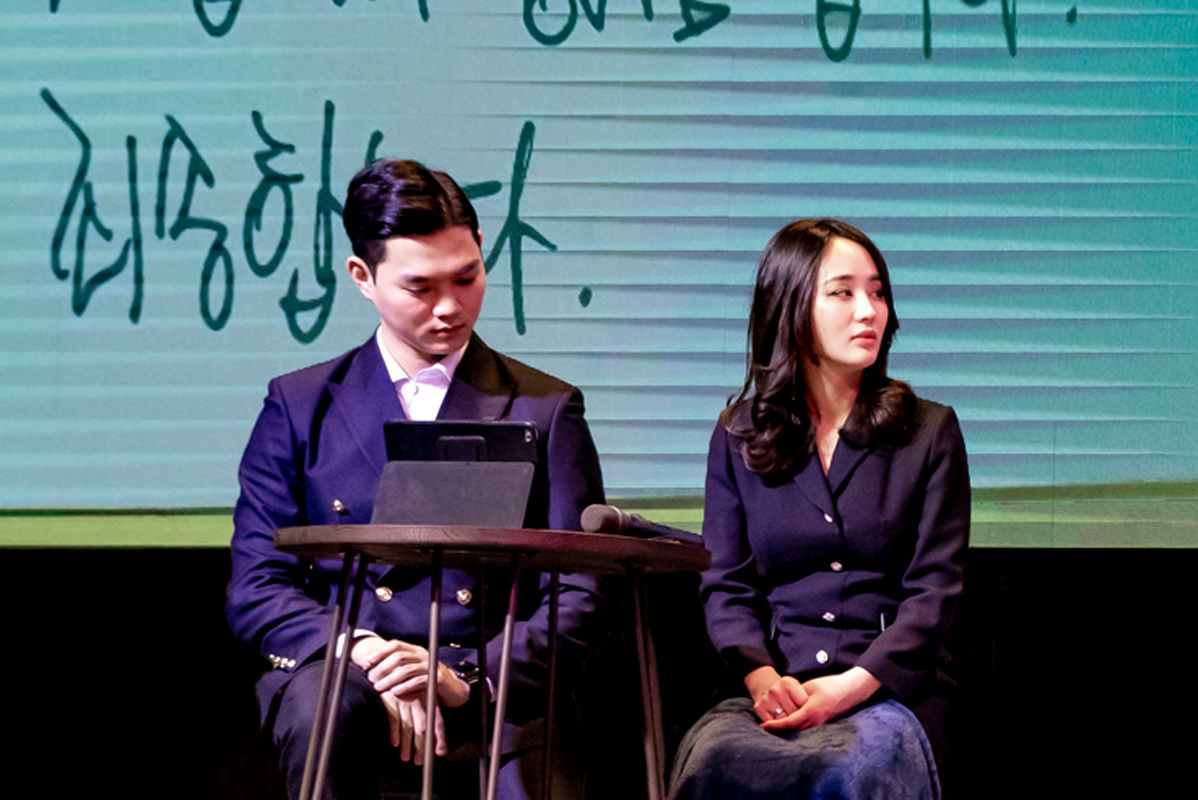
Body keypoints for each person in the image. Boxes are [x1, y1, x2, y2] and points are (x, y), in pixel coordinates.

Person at [226, 159, 607, 800]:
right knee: (323, 713)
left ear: (481, 249)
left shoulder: (545, 408)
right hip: (347, 676)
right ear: (362, 276)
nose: (450, 307)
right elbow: (257, 584)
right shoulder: (298, 405)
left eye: (467, 277)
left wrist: (464, 676)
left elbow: (581, 593)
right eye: (420, 287)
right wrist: (366, 654)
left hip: (493, 687)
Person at [670, 219, 970, 800]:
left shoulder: (929, 432)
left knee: (854, 773)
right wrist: (763, 679)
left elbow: (934, 594)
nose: (868, 311)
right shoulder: (739, 435)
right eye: (843, 293)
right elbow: (726, 586)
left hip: (892, 690)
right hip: (776, 688)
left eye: (877, 293)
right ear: (790, 307)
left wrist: (849, 688)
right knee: (715, 766)